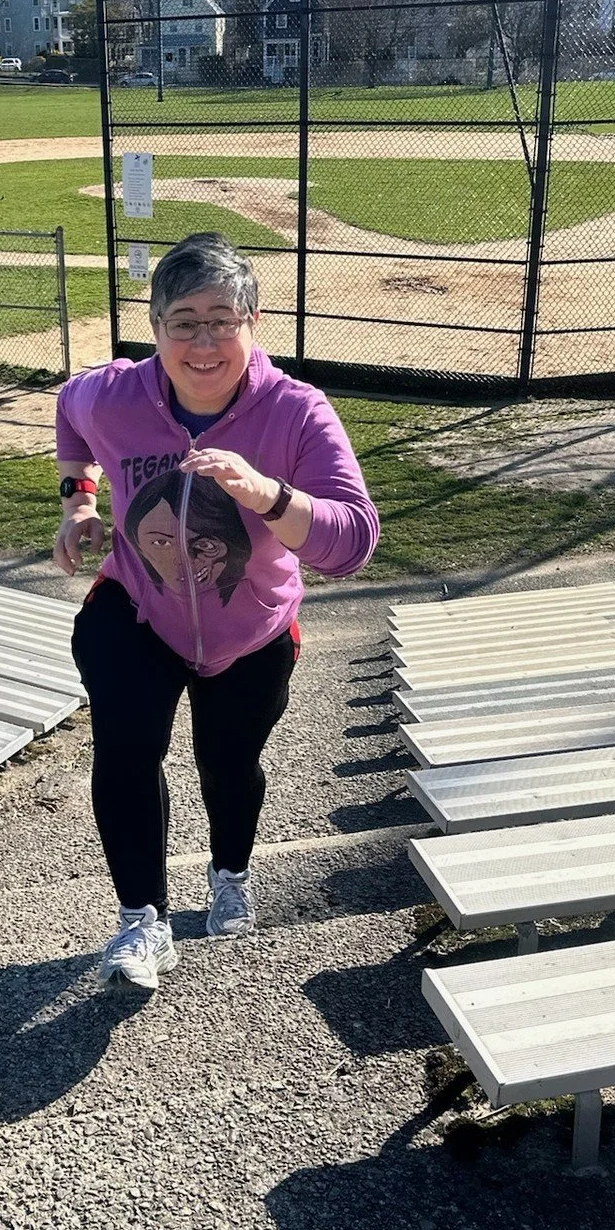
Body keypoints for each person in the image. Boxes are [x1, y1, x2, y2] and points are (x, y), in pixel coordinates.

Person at [55, 231, 379, 995]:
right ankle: (142, 921)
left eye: (222, 322)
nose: (203, 345)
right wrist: (78, 503)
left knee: (229, 767)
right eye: (184, 323)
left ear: (252, 322)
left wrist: (267, 494)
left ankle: (230, 873)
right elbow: (69, 409)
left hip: (252, 629)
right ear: (155, 325)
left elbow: (353, 541)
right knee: (126, 750)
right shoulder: (113, 395)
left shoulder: (296, 412)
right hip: (139, 608)